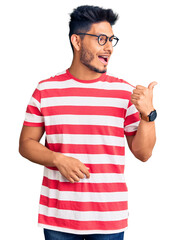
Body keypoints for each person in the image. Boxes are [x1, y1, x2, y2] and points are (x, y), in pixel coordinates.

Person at [19, 5, 157, 240]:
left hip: (109, 219)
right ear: (77, 41)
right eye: (101, 39)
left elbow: (143, 154)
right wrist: (57, 159)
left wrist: (148, 115)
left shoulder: (125, 92)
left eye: (112, 40)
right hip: (59, 218)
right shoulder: (46, 90)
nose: (109, 48)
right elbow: (26, 144)